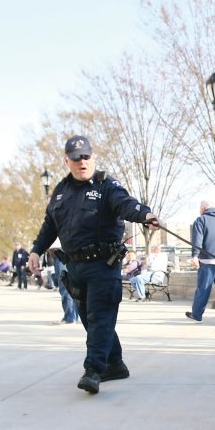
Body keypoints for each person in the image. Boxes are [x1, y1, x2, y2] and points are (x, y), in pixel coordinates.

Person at [28, 135, 161, 394]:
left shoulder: (105, 185)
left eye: (86, 156)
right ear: (67, 161)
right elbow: (49, 226)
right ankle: (115, 364)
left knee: (99, 318)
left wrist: (145, 215)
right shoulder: (60, 193)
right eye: (76, 158)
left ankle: (93, 370)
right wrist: (36, 250)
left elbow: (126, 204)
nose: (82, 162)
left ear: (93, 157)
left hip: (103, 265)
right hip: (75, 268)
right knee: (92, 321)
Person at [48, 244, 78, 324]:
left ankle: (70, 317)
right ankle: (73, 315)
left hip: (61, 250)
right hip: (61, 251)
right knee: (69, 284)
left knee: (65, 285)